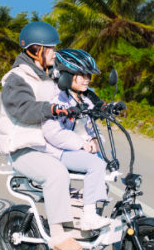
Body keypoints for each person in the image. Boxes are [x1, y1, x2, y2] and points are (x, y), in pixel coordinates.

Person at [0, 21, 83, 250]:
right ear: (36, 50)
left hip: (45, 146)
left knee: (85, 161)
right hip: (24, 149)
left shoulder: (49, 75)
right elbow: (23, 108)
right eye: (51, 49)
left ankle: (84, 221)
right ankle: (57, 236)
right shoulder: (17, 78)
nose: (55, 53)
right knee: (56, 174)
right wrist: (52, 109)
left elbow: (71, 93)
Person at [44, 49, 112, 231]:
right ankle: (88, 216)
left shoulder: (84, 96)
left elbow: (89, 125)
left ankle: (90, 203)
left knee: (108, 159)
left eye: (88, 74)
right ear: (65, 75)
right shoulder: (55, 97)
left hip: (73, 148)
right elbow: (53, 134)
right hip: (56, 151)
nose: (87, 79)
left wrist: (97, 140)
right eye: (81, 75)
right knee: (95, 165)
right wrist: (83, 144)